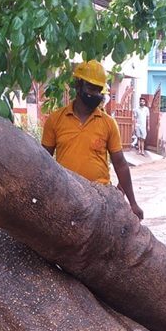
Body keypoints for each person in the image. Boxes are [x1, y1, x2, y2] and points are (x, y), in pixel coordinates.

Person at [41, 60, 143, 220]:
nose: (95, 94)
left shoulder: (108, 123)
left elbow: (120, 164)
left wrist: (133, 203)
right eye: (90, 88)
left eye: (98, 90)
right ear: (78, 85)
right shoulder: (55, 120)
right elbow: (43, 161)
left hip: (100, 199)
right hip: (66, 196)